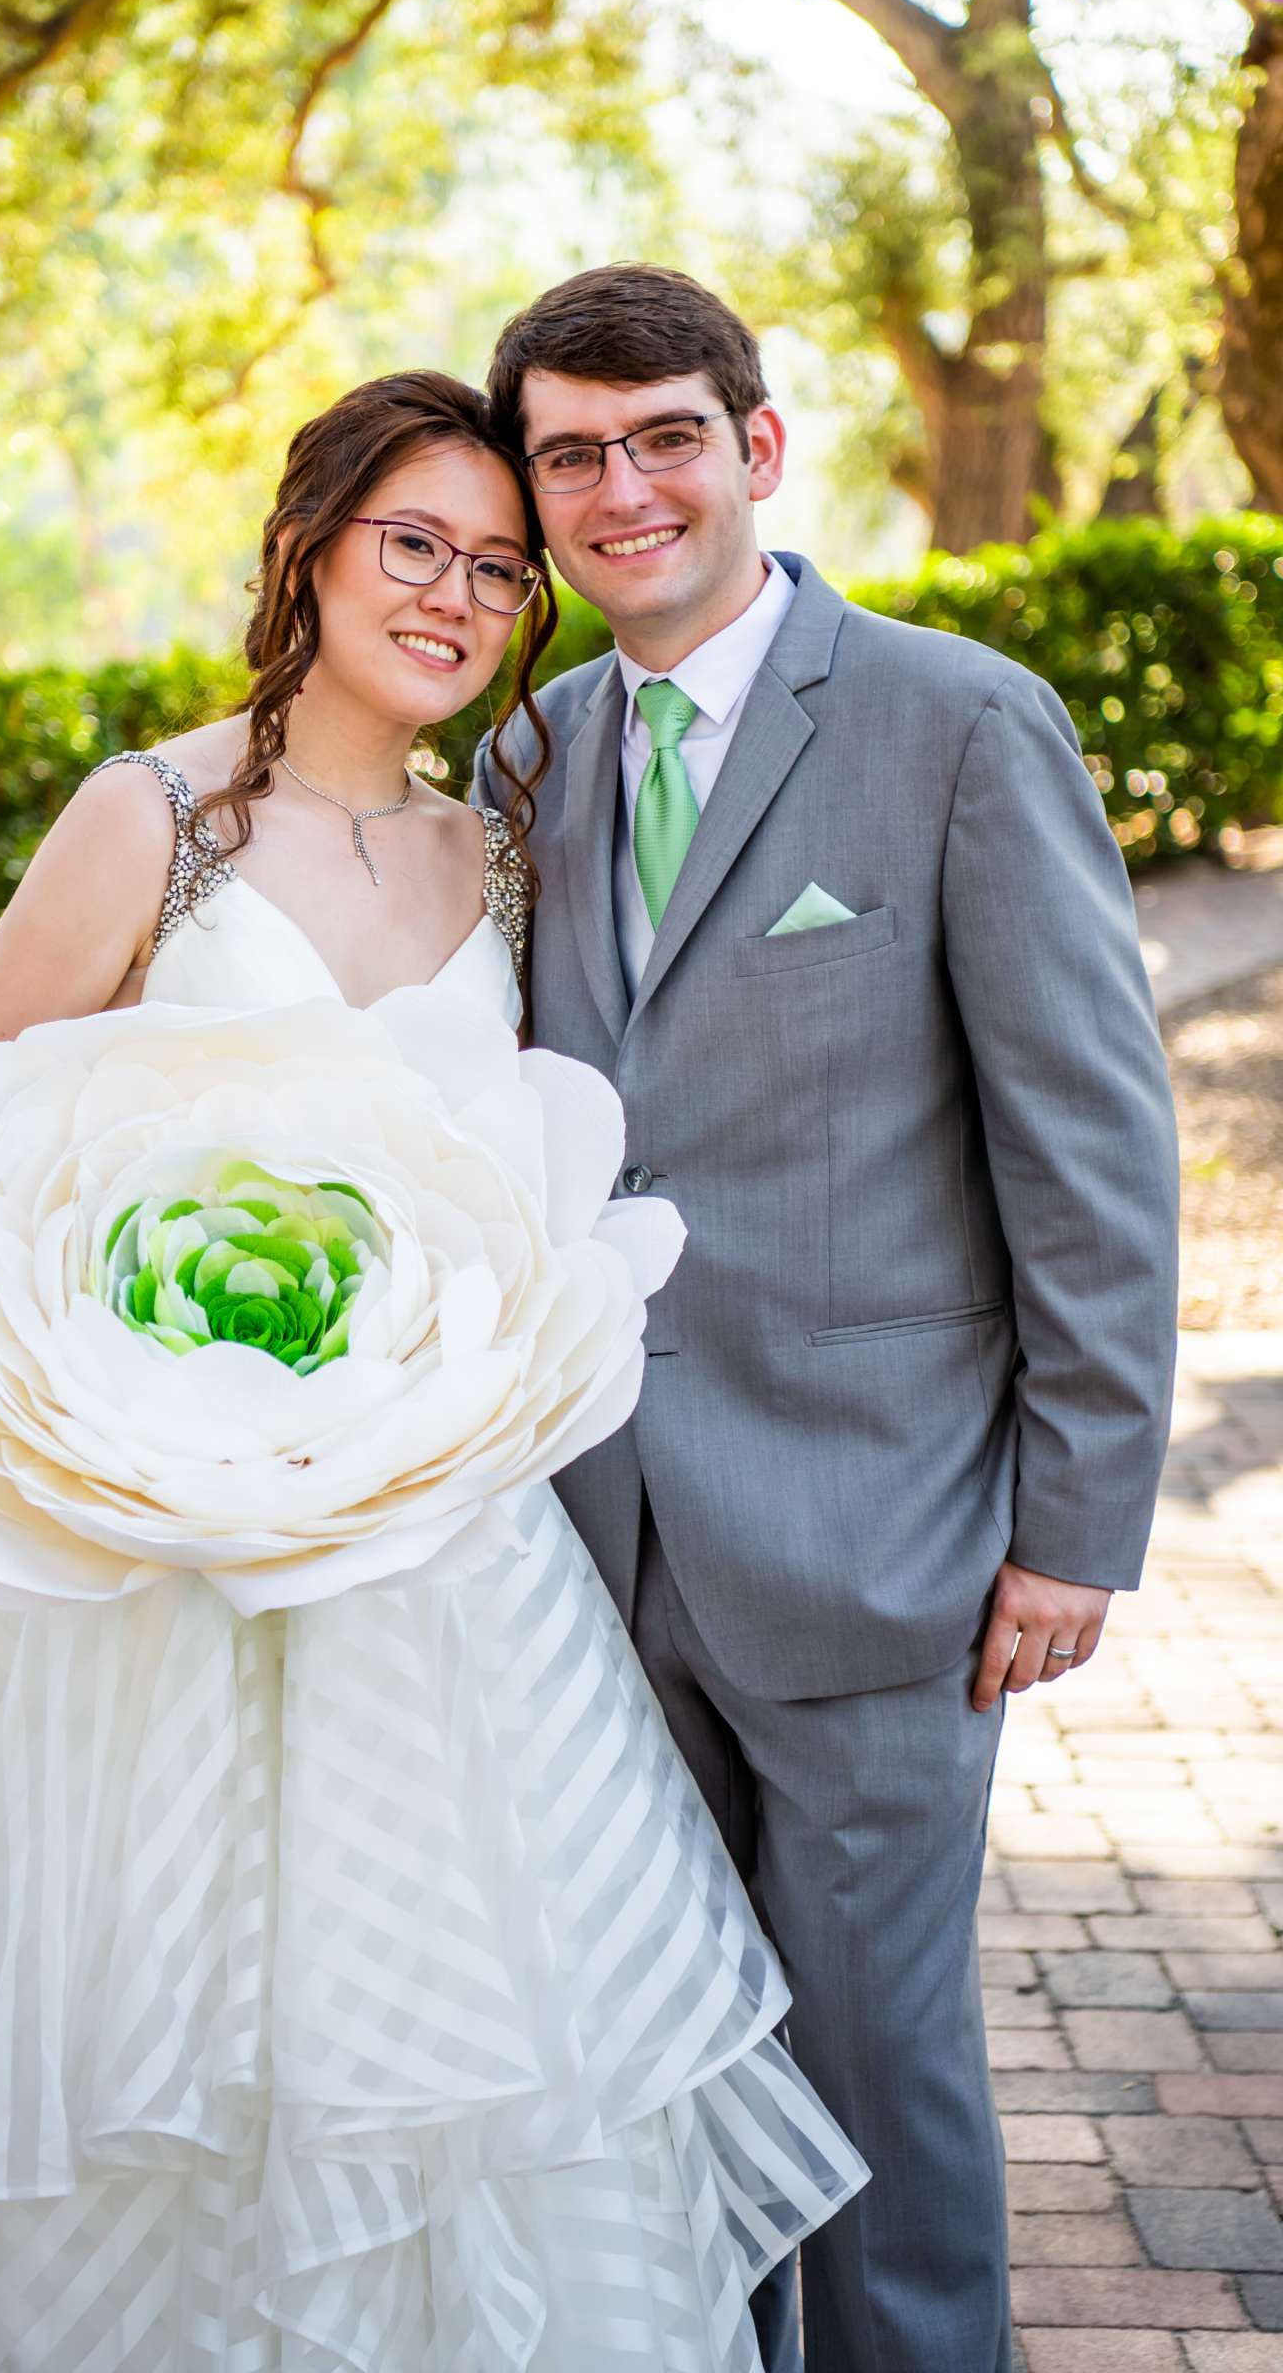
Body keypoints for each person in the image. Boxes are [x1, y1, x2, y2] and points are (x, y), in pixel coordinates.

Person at [0, 369, 864, 2371]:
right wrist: (108, 1338)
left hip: (434, 1562)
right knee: (145, 2024)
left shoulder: (500, 844)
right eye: (411, 542)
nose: (455, 596)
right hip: (153, 1559)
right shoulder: (153, 814)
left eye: (498, 571)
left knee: (436, 2050)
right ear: (309, 545)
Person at [473, 264, 1180, 2373]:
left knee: (875, 2079)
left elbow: (1088, 1150)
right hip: (592, 1546)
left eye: (662, 435)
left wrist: (1075, 1521)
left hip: (881, 1536)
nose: (621, 490)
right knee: (664, 2072)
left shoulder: (954, 722)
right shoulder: (531, 753)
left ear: (754, 449)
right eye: (570, 455)